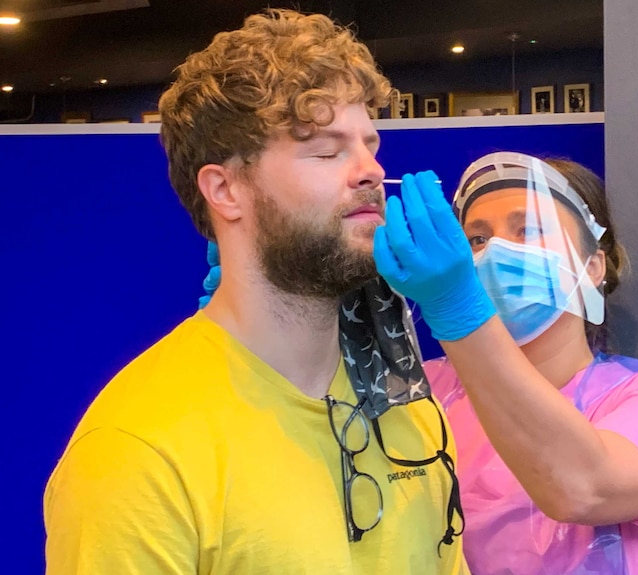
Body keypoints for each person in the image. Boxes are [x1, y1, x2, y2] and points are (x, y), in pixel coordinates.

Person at [43, 9, 468, 575]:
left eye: (371, 145)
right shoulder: (138, 450)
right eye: (326, 150)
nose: (370, 171)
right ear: (225, 189)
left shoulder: (410, 409)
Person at [373, 153, 638, 575]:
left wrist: (455, 308)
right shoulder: (424, 390)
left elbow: (582, 490)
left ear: (592, 267)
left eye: (526, 230)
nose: (496, 250)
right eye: (476, 238)